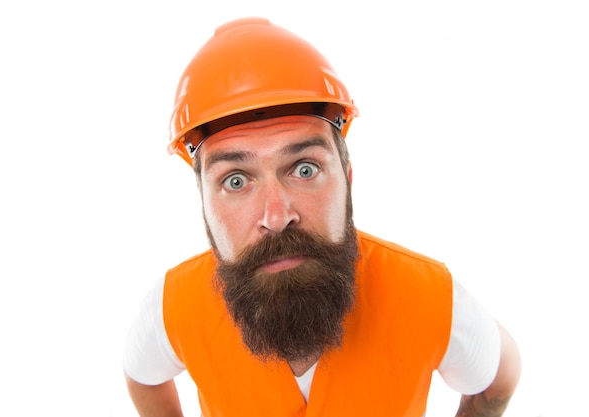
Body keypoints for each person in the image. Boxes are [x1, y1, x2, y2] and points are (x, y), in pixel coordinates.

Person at [123, 17, 521, 417]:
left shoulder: (430, 295)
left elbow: (500, 375)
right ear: (204, 203)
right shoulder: (173, 305)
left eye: (304, 169)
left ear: (346, 180)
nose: (276, 216)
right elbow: (142, 375)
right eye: (237, 180)